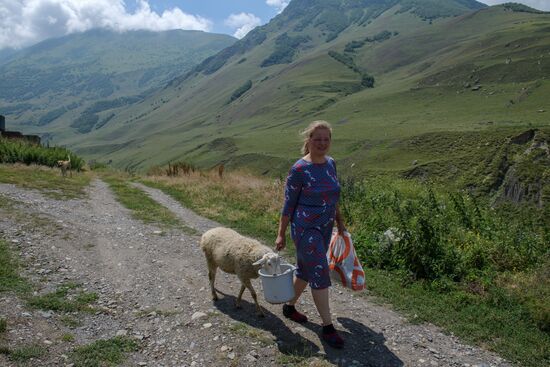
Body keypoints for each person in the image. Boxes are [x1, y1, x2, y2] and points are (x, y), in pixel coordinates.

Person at [275, 120, 345, 349]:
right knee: (319, 271)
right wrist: (281, 234)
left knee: (305, 271)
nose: (322, 143)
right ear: (309, 141)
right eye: (317, 139)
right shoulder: (299, 169)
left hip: (325, 228)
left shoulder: (331, 164)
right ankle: (327, 326)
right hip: (305, 230)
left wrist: (340, 223)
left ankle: (289, 306)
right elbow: (288, 205)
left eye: (326, 139)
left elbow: (333, 197)